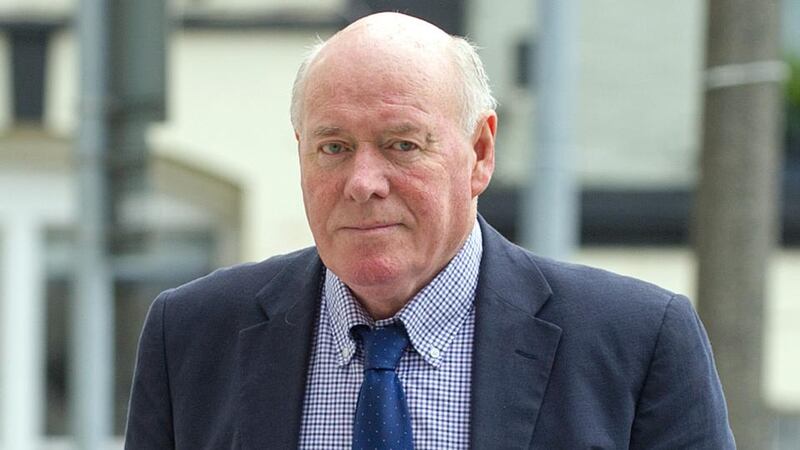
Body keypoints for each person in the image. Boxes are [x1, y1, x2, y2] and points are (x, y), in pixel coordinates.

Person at [125, 12, 736, 449]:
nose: (364, 181)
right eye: (333, 147)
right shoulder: (192, 337)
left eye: (402, 145)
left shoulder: (635, 343)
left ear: (480, 151)